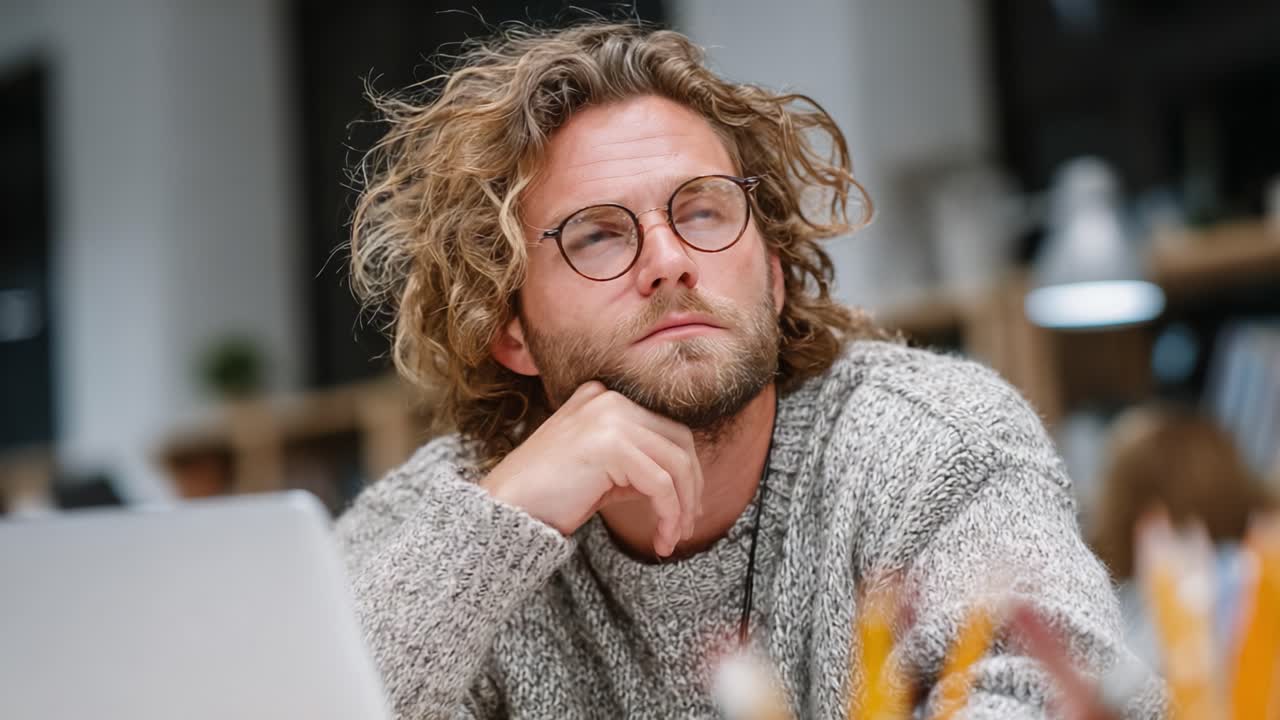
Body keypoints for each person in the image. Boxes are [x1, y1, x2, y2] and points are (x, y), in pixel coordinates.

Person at [336, 21, 1161, 719]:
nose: (668, 260)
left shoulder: (928, 445)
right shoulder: (443, 520)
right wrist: (504, 521)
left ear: (770, 272)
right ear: (508, 327)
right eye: (598, 234)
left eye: (702, 210)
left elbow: (1049, 691)